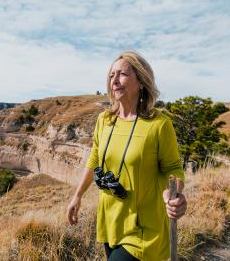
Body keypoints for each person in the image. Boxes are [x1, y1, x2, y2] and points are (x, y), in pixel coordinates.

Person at [66, 51, 187, 261]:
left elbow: (174, 168)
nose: (114, 80)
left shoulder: (158, 125)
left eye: (122, 74)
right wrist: (78, 195)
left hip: (143, 229)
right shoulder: (104, 120)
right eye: (112, 75)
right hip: (111, 221)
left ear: (141, 81)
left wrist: (172, 195)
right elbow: (95, 158)